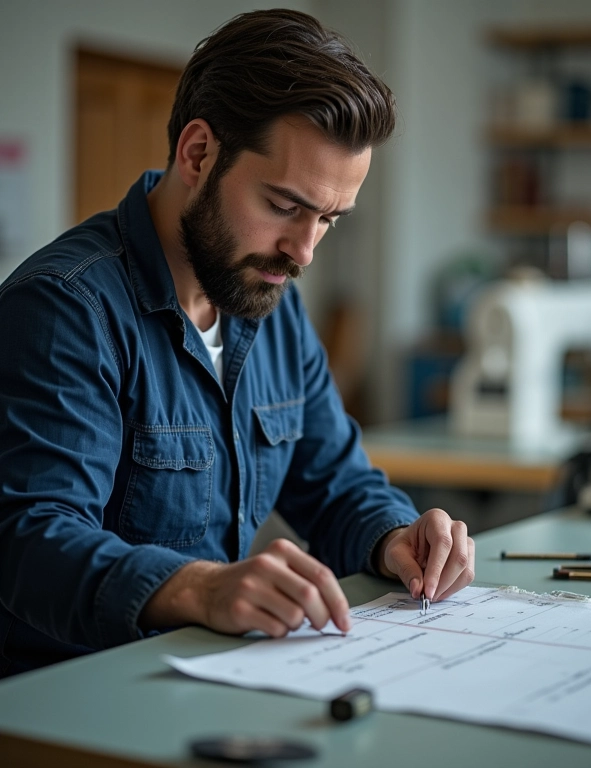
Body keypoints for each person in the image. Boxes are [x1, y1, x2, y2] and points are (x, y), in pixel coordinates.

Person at [0, 9, 474, 678]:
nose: (304, 250)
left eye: (329, 219)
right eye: (284, 206)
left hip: (200, 680)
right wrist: (197, 587)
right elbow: (29, 540)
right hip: (65, 699)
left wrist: (396, 536)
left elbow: (334, 482)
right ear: (198, 154)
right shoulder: (65, 307)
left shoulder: (271, 300)